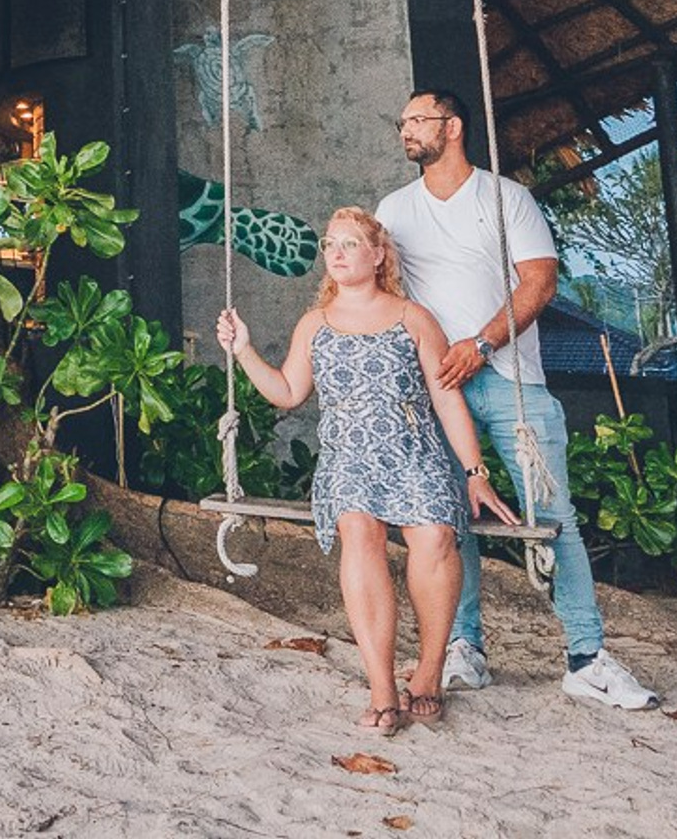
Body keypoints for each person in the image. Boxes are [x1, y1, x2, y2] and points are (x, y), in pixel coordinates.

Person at [376, 87, 659, 712]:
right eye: (402, 122)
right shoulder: (394, 209)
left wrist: (481, 344)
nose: (406, 130)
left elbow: (539, 282)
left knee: (553, 517)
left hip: (511, 380)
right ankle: (464, 648)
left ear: (453, 127)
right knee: (447, 519)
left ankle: (586, 658)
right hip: (434, 387)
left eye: (418, 120)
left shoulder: (506, 198)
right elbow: (383, 290)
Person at [218, 207, 515, 735]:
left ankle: (429, 672)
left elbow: (446, 399)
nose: (335, 253)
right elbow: (287, 392)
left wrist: (474, 471)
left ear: (378, 255)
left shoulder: (413, 317)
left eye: (350, 243)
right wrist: (242, 350)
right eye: (330, 244)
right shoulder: (315, 324)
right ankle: (381, 687)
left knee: (435, 536)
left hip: (416, 454)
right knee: (358, 528)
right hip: (348, 459)